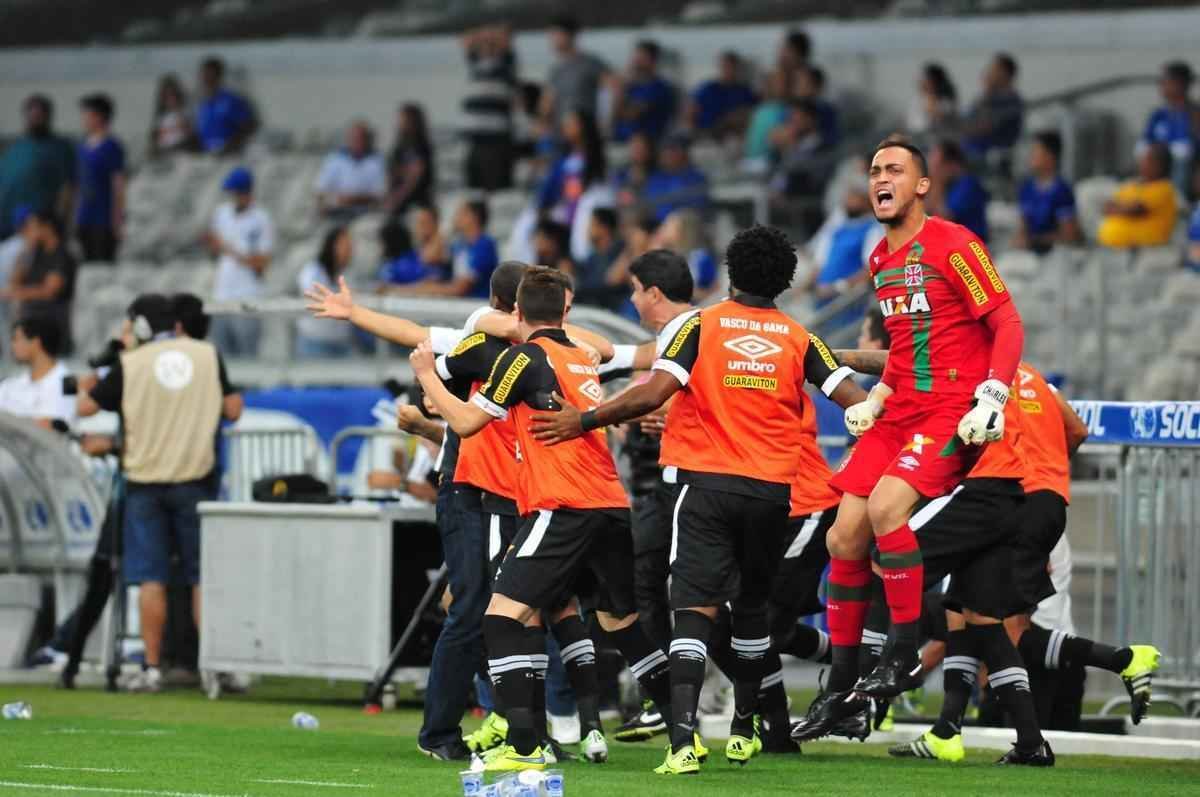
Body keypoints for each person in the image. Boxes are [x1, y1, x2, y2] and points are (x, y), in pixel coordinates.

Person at [528, 229, 866, 774]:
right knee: (752, 611)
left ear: (731, 272)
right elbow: (854, 401)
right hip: (772, 494)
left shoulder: (699, 324)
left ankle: (684, 742)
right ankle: (744, 729)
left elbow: (654, 391)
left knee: (694, 609)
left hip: (705, 487)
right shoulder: (799, 338)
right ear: (784, 280)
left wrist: (583, 419)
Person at [790, 137, 1025, 745]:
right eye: (873, 171)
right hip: (901, 411)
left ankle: (899, 654)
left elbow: (1007, 322)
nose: (879, 179)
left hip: (953, 410)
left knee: (888, 508)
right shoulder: (879, 260)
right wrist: (878, 396)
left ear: (922, 184)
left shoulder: (955, 243)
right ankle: (841, 688)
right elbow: (903, 346)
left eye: (893, 169)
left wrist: (994, 394)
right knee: (843, 534)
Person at [411, 268, 675, 773]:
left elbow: (463, 417)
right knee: (592, 618)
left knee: (502, 614)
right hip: (576, 499)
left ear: (513, 311)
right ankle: (675, 733)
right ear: (564, 311)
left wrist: (428, 378)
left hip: (551, 501)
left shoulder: (529, 354)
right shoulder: (577, 354)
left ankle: (523, 739)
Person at [77, 293, 241, 692]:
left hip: (144, 483)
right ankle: (211, 667)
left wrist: (91, 380)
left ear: (143, 326)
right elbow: (234, 409)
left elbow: (85, 407)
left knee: (151, 578)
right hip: (195, 479)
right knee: (203, 577)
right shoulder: (207, 355)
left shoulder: (131, 364)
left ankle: (151, 668)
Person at [204, 167, 274, 356]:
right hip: (222, 294)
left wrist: (228, 249)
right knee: (223, 356)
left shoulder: (261, 219)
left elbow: (261, 262)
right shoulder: (222, 213)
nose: (233, 196)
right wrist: (212, 245)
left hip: (247, 297)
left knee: (248, 355)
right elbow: (214, 249)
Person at [805, 185, 884, 332]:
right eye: (848, 197)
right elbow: (819, 263)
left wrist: (838, 287)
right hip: (822, 304)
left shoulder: (873, 229)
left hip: (849, 305)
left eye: (854, 198)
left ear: (866, 201)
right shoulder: (836, 228)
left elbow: (871, 270)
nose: (848, 201)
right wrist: (808, 287)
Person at [0, 95, 76, 239]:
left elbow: (69, 187)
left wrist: (64, 220)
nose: (34, 119)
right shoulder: (15, 147)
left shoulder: (60, 147)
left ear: (48, 117)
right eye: (31, 115)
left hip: (41, 222)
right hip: (7, 220)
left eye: (39, 115)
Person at [1, 209, 77, 353]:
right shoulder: (36, 253)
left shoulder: (62, 255)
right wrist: (26, 251)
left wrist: (17, 294)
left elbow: (49, 292)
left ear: (47, 227)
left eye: (33, 226)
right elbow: (14, 283)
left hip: (51, 322)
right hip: (30, 319)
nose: (29, 231)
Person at [461, 25, 519, 191]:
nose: (486, 46)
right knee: (474, 186)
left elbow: (506, 39)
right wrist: (482, 35)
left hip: (496, 138)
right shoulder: (476, 63)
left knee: (497, 186)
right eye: (484, 43)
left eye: (491, 43)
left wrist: (491, 35)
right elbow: (466, 40)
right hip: (476, 137)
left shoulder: (505, 64)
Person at [1097, 142, 1180, 249]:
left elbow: (1136, 210)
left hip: (1147, 252)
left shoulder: (1164, 188)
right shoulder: (1132, 185)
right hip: (1115, 250)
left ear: (1160, 166)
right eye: (1144, 159)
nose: (1143, 163)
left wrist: (1120, 207)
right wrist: (1123, 207)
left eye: (1149, 160)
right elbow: (1107, 207)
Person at [75, 93, 127, 262]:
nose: (83, 120)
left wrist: (117, 221)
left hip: (103, 219)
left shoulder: (111, 147)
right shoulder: (83, 146)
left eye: (87, 115)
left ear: (99, 117)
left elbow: (118, 184)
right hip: (84, 217)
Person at [536, 110, 607, 231]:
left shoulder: (595, 159)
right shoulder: (562, 162)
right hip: (563, 215)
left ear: (584, 127)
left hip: (587, 216)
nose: (567, 127)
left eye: (572, 123)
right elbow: (545, 197)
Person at [0, 314, 74, 426]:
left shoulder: (68, 382)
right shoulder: (10, 384)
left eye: (16, 339)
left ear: (36, 342)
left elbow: (56, 430)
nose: (12, 346)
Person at [1014, 130, 1082, 254]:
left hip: (1055, 254)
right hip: (1030, 253)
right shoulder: (1026, 189)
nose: (1031, 157)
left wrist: (1037, 240)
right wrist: (1021, 239)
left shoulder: (1062, 191)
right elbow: (1022, 228)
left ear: (1050, 157)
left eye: (1035, 152)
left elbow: (1069, 235)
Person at [541, 16, 615, 125]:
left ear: (570, 35)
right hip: (560, 134)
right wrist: (542, 121)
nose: (552, 40)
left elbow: (614, 88)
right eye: (550, 35)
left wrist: (606, 121)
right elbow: (548, 102)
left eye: (556, 34)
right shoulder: (556, 69)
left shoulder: (590, 63)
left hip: (586, 134)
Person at [1140, 61, 1200, 193]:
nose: (1161, 86)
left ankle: (1178, 199)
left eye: (1165, 81)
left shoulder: (1194, 113)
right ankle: (1146, 193)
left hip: (1185, 170)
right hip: (1159, 166)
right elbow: (1146, 139)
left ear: (1181, 84)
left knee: (1182, 155)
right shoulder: (1159, 114)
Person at [296, 226, 356, 357]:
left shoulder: (349, 273)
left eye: (349, 246)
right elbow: (312, 294)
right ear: (331, 246)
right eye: (343, 245)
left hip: (341, 342)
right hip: (315, 341)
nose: (347, 250)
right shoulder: (312, 270)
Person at [315, 120, 387, 221]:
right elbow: (321, 191)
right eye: (354, 138)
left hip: (365, 213)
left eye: (361, 138)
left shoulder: (377, 161)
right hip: (337, 210)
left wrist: (353, 199)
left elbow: (380, 195)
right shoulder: (335, 159)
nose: (357, 141)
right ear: (348, 139)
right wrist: (332, 201)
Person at [961, 53, 1024, 164]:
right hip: (971, 151)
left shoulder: (1012, 102)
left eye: (993, 69)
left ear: (1004, 74)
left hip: (988, 157)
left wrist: (987, 92)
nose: (989, 73)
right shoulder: (989, 98)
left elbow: (983, 127)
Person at [614, 40, 676, 143]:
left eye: (641, 58)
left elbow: (630, 114)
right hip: (623, 141)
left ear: (653, 60)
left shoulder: (659, 88)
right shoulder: (632, 86)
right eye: (636, 57)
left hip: (647, 144)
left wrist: (621, 89)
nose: (636, 61)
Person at [928, 138, 990, 241]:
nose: (934, 171)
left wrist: (938, 185)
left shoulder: (968, 185)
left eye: (937, 166)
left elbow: (944, 220)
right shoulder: (949, 184)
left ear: (952, 164)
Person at [195, 56, 257, 155]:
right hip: (206, 152)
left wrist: (231, 145)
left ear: (219, 76)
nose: (207, 79)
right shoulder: (202, 105)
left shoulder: (230, 101)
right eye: (204, 75)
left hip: (226, 151)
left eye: (210, 75)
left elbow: (250, 126)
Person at [651, 209, 717, 301]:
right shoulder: (661, 252)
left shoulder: (699, 258)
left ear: (681, 232)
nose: (661, 229)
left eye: (667, 226)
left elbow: (714, 292)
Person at [689, 52, 758, 140]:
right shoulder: (708, 88)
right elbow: (691, 110)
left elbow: (752, 112)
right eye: (725, 66)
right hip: (706, 134)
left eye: (731, 67)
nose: (728, 70)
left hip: (734, 137)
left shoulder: (745, 91)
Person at [642, 134, 709, 223]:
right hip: (656, 224)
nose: (668, 154)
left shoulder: (696, 178)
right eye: (665, 150)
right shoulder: (656, 178)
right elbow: (649, 204)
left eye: (673, 150)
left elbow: (697, 208)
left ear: (682, 153)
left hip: (685, 225)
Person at [386, 104, 435, 215]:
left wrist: (397, 197)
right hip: (400, 201)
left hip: (412, 204)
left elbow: (414, 175)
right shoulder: (402, 143)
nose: (399, 123)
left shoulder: (416, 145)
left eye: (403, 119)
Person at [577, 207, 625, 309]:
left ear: (604, 228)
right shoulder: (592, 258)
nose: (588, 230)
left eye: (592, 225)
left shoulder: (620, 253)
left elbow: (609, 284)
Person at [744, 69, 792, 163]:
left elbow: (782, 142)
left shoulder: (789, 110)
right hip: (749, 159)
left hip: (767, 163)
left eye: (779, 82)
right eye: (772, 81)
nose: (773, 85)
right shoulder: (761, 109)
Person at [377, 218, 435, 292]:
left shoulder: (392, 267)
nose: (381, 246)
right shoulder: (418, 255)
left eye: (382, 242)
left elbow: (384, 288)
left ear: (389, 243)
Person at [906, 63, 958, 139]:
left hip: (942, 140)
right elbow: (914, 125)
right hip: (919, 139)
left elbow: (943, 121)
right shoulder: (917, 101)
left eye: (927, 81)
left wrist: (933, 108)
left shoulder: (946, 102)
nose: (922, 84)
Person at [149, 74, 195, 156]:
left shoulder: (185, 113)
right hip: (164, 150)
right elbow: (155, 138)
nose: (171, 99)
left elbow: (189, 133)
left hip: (181, 148)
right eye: (167, 96)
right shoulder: (161, 117)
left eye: (173, 95)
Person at [612, 132, 657, 209]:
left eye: (642, 148)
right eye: (635, 147)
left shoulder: (658, 177)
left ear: (649, 151)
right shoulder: (619, 175)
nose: (638, 152)